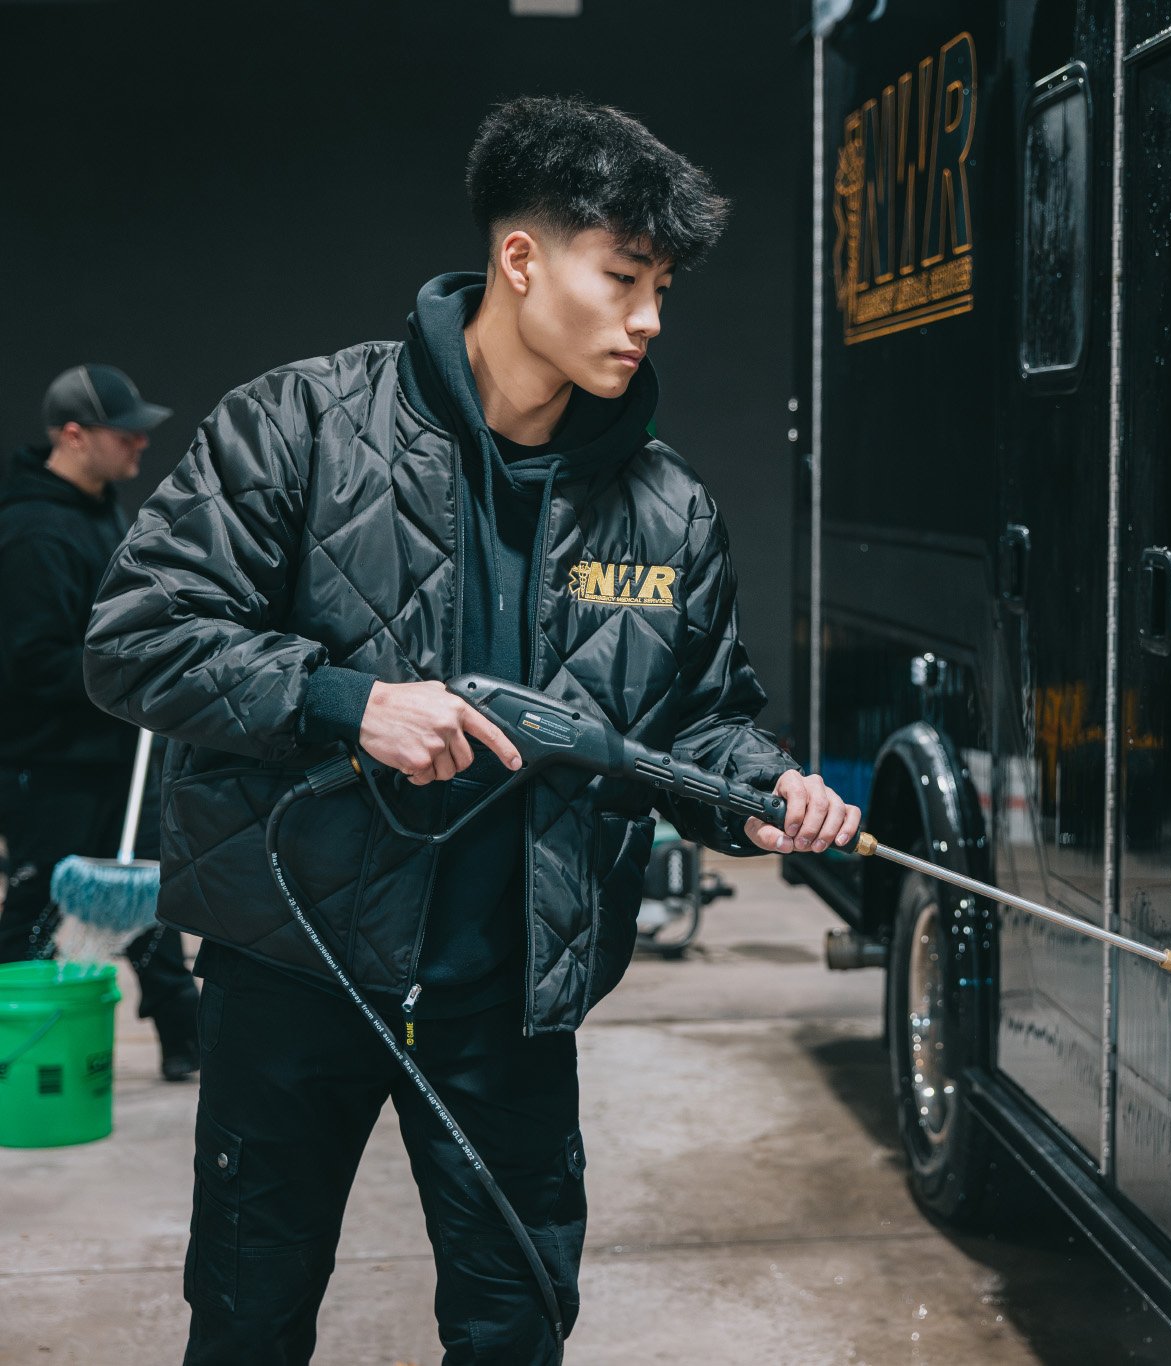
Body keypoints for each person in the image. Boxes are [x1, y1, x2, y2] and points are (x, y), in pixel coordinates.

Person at [83, 96, 861, 1365]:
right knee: (248, 1313)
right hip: (296, 973)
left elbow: (701, 718)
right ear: (520, 260)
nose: (650, 316)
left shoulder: (664, 511)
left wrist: (766, 786)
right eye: (623, 277)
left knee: (514, 1324)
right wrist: (350, 703)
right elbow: (135, 638)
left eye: (662, 285)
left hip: (512, 998)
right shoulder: (302, 427)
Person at [0, 364, 200, 1081]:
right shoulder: (32, 531)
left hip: (114, 753)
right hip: (51, 763)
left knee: (149, 896)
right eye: (126, 433)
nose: (141, 445)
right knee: (34, 909)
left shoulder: (96, 509)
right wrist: (127, 668)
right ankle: (17, 1050)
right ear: (75, 435)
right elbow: (32, 664)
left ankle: (185, 1040)